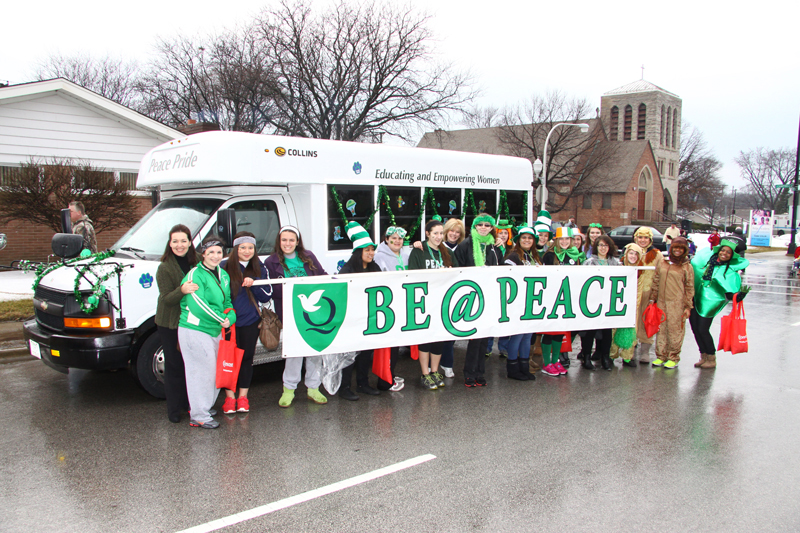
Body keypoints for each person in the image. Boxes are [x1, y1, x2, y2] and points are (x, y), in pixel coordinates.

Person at [264, 226, 329, 407]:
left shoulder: (308, 256)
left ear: (297, 241)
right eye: (284, 240)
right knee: (294, 353)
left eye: (291, 240)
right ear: (279, 241)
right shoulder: (271, 261)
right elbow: (273, 290)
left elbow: (322, 276)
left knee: (315, 351)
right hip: (290, 313)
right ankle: (289, 389)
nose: (288, 243)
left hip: (313, 313)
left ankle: (313, 388)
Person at [177, 235, 237, 429]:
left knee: (212, 371)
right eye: (211, 252)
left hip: (213, 329)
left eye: (219, 252)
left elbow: (227, 302)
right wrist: (223, 319)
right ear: (203, 254)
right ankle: (199, 414)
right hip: (194, 329)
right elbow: (198, 305)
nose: (215, 256)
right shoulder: (195, 274)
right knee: (200, 372)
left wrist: (231, 317)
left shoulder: (224, 275)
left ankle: (203, 406)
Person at [221, 231, 273, 413]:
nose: (246, 251)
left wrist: (255, 282)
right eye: (242, 247)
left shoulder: (260, 267)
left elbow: (268, 294)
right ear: (235, 249)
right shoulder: (224, 266)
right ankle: (229, 398)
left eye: (250, 247)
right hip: (228, 322)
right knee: (228, 359)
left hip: (250, 322)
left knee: (246, 359)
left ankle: (243, 398)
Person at [155, 224, 198, 423]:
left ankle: (190, 405)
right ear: (169, 244)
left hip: (192, 322)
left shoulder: (197, 262)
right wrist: (182, 290)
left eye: (183, 241)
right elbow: (166, 299)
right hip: (170, 323)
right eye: (175, 241)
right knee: (174, 366)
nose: (179, 245)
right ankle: (173, 410)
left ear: (190, 242)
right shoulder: (164, 267)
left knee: (192, 365)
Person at [454, 213, 502, 387]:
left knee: (485, 338)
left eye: (487, 225)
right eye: (479, 225)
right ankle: (469, 373)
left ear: (491, 228)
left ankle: (480, 372)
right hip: (472, 296)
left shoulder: (494, 247)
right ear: (474, 227)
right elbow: (458, 270)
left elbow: (501, 270)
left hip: (489, 297)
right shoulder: (465, 245)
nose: (483, 227)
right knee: (474, 338)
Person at [408, 217, 457, 390]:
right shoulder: (419, 250)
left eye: (440, 233)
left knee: (439, 338)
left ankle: (435, 371)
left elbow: (457, 273)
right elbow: (413, 275)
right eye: (435, 233)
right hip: (425, 301)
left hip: (442, 301)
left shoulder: (447, 252)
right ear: (427, 234)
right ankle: (425, 373)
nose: (438, 237)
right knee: (425, 339)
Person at [337, 222, 382, 400]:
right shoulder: (347, 270)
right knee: (349, 355)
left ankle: (363, 383)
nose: (371, 253)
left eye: (372, 249)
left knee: (366, 353)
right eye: (367, 250)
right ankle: (345, 387)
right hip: (352, 318)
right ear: (358, 252)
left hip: (369, 317)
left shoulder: (375, 267)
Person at [689, 238, 749, 370]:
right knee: (695, 328)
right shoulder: (707, 260)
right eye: (723, 250)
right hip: (695, 296)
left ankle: (711, 357)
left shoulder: (729, 271)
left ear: (732, 256)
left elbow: (729, 292)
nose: (724, 254)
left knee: (703, 329)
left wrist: (737, 296)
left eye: (728, 253)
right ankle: (703, 355)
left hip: (710, 301)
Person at [540, 227, 583, 376]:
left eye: (567, 239)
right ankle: (546, 363)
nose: (564, 242)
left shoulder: (575, 255)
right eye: (562, 239)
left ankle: (556, 360)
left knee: (560, 332)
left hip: (567, 299)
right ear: (557, 240)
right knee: (550, 331)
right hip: (552, 298)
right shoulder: (549, 255)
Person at [648, 237, 694, 369]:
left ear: (684, 250)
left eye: (680, 248)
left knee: (675, 330)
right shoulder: (663, 262)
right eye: (675, 247)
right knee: (661, 329)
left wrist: (687, 306)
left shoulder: (686, 266)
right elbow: (656, 279)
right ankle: (661, 356)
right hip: (661, 302)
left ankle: (673, 357)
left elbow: (689, 287)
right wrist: (653, 298)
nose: (677, 250)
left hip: (677, 303)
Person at [373, 226, 409, 390]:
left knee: (395, 344)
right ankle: (385, 381)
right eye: (393, 238)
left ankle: (390, 373)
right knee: (388, 346)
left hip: (402, 304)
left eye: (400, 238)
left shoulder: (405, 253)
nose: (397, 241)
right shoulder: (380, 256)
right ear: (386, 239)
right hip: (387, 306)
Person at [501, 224, 539, 381]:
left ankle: (524, 367)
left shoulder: (536, 257)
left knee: (527, 336)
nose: (527, 240)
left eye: (530, 238)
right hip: (517, 303)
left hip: (531, 303)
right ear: (518, 240)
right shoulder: (512, 257)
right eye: (524, 238)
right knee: (517, 336)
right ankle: (512, 368)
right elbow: (506, 279)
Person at [581, 235, 620, 371]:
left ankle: (605, 357)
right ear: (595, 247)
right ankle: (586, 357)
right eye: (600, 245)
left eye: (605, 245)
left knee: (606, 332)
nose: (602, 248)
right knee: (589, 332)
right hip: (591, 302)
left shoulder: (616, 263)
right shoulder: (589, 262)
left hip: (608, 302)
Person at [609, 243, 645, 366]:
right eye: (631, 253)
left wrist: (633, 306)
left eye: (636, 254)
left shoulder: (641, 272)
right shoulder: (619, 268)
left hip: (632, 306)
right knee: (614, 329)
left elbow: (639, 291)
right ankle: (611, 355)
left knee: (631, 330)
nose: (633, 256)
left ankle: (627, 357)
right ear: (626, 254)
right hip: (617, 304)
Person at [632, 227, 664, 364]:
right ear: (635, 238)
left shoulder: (657, 255)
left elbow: (660, 274)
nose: (643, 240)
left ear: (650, 240)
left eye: (646, 238)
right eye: (640, 237)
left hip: (648, 292)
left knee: (646, 321)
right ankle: (631, 349)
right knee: (632, 322)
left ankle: (645, 350)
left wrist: (655, 294)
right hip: (633, 292)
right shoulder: (631, 251)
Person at [439, 218, 465, 376]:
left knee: (452, 330)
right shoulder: (438, 246)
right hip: (439, 293)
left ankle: (447, 362)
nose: (454, 234)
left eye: (457, 232)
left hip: (456, 293)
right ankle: (433, 363)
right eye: (452, 231)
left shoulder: (463, 248)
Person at [487, 219, 514, 357]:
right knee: (492, 316)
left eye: (505, 233)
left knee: (505, 318)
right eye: (500, 232)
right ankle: (488, 347)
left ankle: (503, 347)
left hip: (507, 288)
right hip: (493, 287)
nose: (503, 235)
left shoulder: (512, 249)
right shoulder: (491, 246)